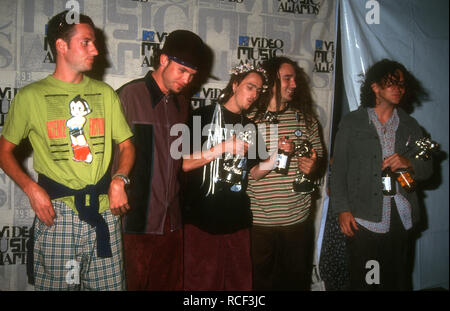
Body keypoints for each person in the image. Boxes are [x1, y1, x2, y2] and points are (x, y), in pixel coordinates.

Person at [0, 10, 135, 290]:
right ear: (61, 46)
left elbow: (127, 145)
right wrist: (31, 188)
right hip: (57, 214)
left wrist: (120, 179)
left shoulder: (105, 94)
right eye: (86, 42)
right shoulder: (30, 97)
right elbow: (4, 151)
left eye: (95, 42)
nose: (95, 50)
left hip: (104, 214)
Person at [182, 63, 289, 290]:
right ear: (235, 84)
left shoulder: (249, 126)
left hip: (237, 222)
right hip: (201, 221)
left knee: (239, 286)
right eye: (250, 87)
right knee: (200, 287)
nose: (253, 95)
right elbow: (182, 163)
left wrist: (277, 155)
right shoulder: (203, 116)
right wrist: (221, 148)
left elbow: (256, 173)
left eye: (258, 91)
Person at [330, 59, 433, 290]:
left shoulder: (410, 125)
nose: (399, 89)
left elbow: (428, 170)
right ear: (375, 87)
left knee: (396, 282)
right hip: (364, 219)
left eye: (402, 84)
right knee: (367, 282)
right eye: (392, 83)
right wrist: (343, 209)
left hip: (401, 218)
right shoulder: (353, 122)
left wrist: (409, 163)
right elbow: (338, 172)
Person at [115, 30, 205, 290]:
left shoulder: (182, 104)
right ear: (163, 60)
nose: (186, 80)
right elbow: (110, 157)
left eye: (192, 75)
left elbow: (179, 160)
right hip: (134, 220)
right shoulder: (128, 96)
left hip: (172, 221)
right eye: (181, 71)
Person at [246, 56, 324, 290]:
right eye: (287, 78)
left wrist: (314, 167)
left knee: (294, 285)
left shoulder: (306, 120)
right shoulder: (248, 120)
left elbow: (318, 159)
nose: (294, 84)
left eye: (295, 79)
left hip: (297, 224)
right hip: (258, 225)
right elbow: (242, 172)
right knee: (258, 287)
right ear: (270, 82)